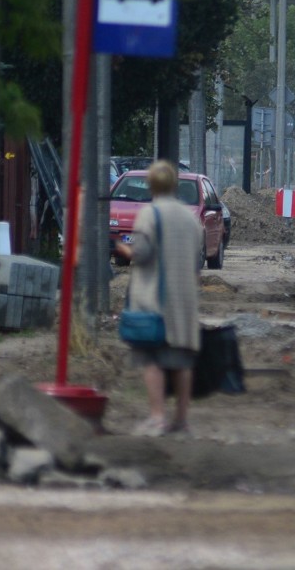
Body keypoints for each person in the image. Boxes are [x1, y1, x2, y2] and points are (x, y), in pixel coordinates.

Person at [113, 160, 201, 437]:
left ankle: (157, 417)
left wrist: (120, 249)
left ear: (151, 185)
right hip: (184, 298)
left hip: (154, 298)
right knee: (181, 360)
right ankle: (182, 422)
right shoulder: (190, 217)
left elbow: (142, 253)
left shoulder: (150, 215)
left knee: (151, 357)